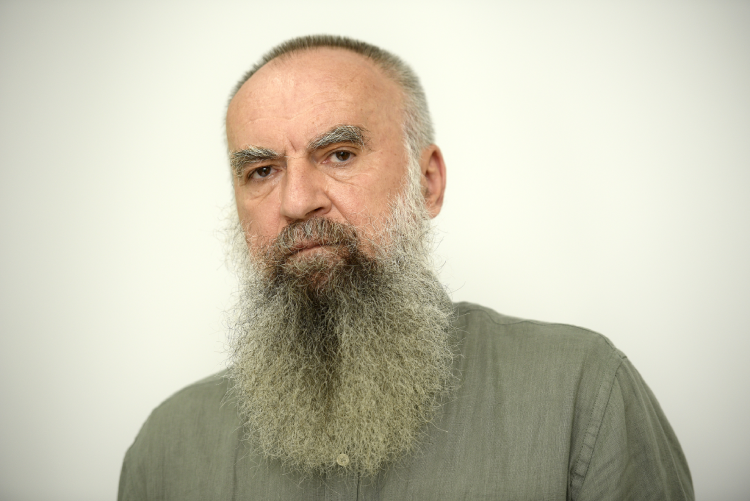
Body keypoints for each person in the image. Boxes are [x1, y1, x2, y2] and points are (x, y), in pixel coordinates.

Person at [118, 35, 693, 500]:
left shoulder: (582, 393)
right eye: (262, 171)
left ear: (428, 183)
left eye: (339, 154)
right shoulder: (166, 451)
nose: (296, 201)